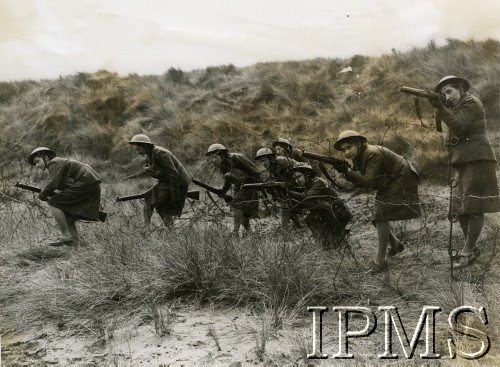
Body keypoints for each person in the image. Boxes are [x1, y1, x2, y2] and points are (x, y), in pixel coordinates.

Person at [431, 76, 500, 269]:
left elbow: (460, 125)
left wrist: (442, 107)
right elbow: (441, 128)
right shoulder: (454, 107)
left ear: (461, 89)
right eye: (442, 93)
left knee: (474, 206)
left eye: (449, 91)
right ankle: (471, 248)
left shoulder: (471, 102)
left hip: (478, 158)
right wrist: (440, 107)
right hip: (463, 160)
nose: (446, 96)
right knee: (461, 208)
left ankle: (468, 251)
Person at [332, 130, 421, 273]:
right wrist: (345, 172)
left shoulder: (372, 153)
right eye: (344, 150)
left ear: (359, 144)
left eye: (349, 147)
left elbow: (368, 182)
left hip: (402, 177)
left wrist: (347, 172)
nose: (346, 152)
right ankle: (396, 245)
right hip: (389, 180)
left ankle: (379, 263)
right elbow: (360, 179)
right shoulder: (358, 156)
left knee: (380, 215)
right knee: (378, 215)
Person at [28, 147, 102, 246]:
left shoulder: (54, 162)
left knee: (53, 203)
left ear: (45, 157)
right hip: (90, 183)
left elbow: (52, 184)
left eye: (37, 161)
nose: (36, 165)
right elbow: (62, 187)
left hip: (86, 182)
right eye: (35, 163)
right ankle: (75, 248)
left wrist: (42, 195)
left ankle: (65, 236)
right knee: (68, 214)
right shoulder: (58, 164)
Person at [129, 134, 190, 228]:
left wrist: (175, 199)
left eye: (139, 149)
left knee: (159, 202)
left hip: (178, 183)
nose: (137, 152)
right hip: (167, 182)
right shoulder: (150, 155)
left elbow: (173, 176)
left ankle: (169, 228)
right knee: (148, 196)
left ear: (145, 146)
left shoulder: (160, 154)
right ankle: (146, 227)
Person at [286, 162, 351, 250]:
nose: (297, 181)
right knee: (311, 217)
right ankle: (333, 240)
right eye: (295, 178)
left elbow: (308, 197)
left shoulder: (318, 183)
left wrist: (288, 192)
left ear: (307, 174)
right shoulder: (309, 184)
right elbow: (304, 203)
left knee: (313, 217)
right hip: (330, 212)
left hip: (339, 213)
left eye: (298, 177)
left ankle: (339, 237)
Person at [206, 143, 261, 236]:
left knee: (236, 205)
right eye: (211, 158)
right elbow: (228, 180)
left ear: (222, 154)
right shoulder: (222, 165)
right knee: (240, 210)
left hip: (250, 184)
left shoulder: (237, 158)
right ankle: (249, 232)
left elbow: (255, 171)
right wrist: (223, 191)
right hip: (239, 185)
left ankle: (235, 233)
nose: (213, 160)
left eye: (215, 157)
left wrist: (256, 186)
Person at [254, 147, 303, 230]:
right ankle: (298, 226)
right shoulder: (272, 165)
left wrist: (276, 183)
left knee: (285, 202)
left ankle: (284, 229)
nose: (263, 164)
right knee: (286, 201)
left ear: (270, 158)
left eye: (264, 160)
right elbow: (274, 179)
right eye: (261, 161)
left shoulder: (282, 162)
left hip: (301, 180)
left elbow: (290, 177)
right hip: (293, 182)